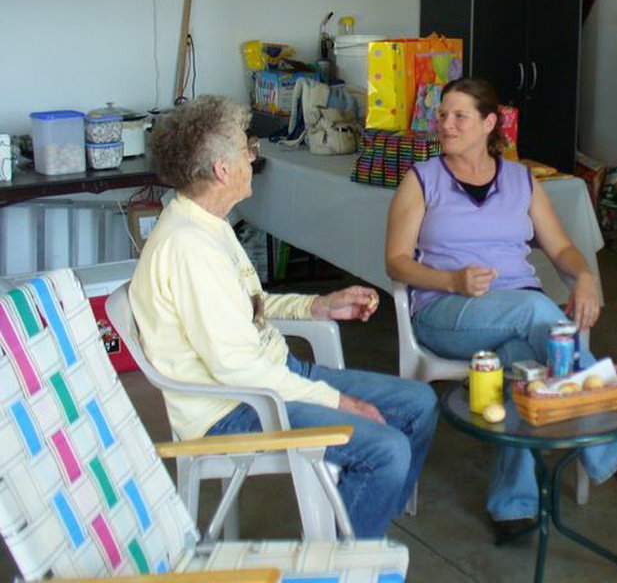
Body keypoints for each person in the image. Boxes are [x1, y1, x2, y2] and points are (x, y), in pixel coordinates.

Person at [130, 95, 438, 539]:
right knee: (386, 449)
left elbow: (246, 305)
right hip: (232, 408)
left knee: (418, 404)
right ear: (222, 170)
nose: (252, 158)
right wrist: (337, 401)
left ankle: (360, 528)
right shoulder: (190, 249)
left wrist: (316, 306)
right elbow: (237, 368)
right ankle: (345, 560)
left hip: (270, 377)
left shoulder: (206, 223)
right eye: (247, 149)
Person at [385, 77, 617, 541]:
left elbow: (562, 249)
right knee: (538, 314)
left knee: (525, 365)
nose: (445, 124)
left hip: (517, 314)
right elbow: (396, 261)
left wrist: (585, 277)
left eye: (459, 116)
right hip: (446, 310)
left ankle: (512, 508)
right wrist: (451, 280)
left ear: (489, 123)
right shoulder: (421, 180)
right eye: (442, 115)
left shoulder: (521, 180)